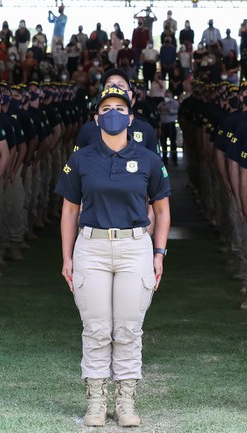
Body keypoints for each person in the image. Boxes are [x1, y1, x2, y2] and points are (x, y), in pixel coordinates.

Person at [55, 85, 171, 428]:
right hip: (91, 247)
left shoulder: (149, 159)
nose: (113, 114)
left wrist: (159, 253)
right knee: (96, 328)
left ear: (131, 117)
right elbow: (68, 211)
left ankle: (125, 401)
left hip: (135, 246)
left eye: (119, 108)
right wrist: (67, 257)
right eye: (106, 108)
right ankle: (95, 401)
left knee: (128, 328)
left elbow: (162, 212)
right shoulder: (81, 158)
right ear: (96, 118)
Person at [158, 91, 179, 165]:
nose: (167, 97)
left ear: (171, 96)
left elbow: (175, 111)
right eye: (166, 95)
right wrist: (163, 108)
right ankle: (164, 158)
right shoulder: (161, 103)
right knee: (163, 142)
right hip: (163, 124)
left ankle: (174, 159)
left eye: (168, 96)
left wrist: (167, 109)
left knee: (173, 142)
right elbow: (158, 109)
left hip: (171, 124)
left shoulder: (175, 103)